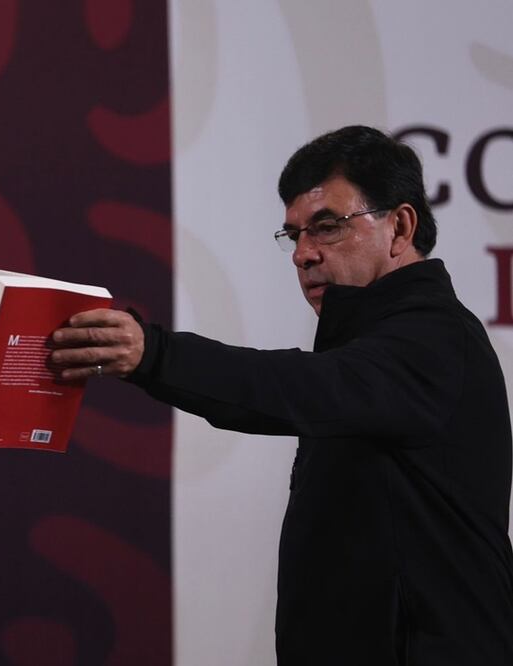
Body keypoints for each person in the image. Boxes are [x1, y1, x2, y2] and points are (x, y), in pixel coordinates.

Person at [51, 125, 513, 664]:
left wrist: (154, 355)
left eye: (327, 226)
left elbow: (293, 387)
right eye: (294, 235)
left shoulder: (434, 337)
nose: (303, 254)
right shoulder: (375, 340)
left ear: (400, 226)